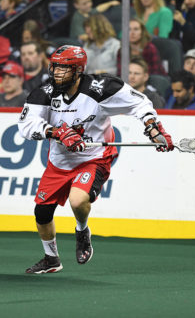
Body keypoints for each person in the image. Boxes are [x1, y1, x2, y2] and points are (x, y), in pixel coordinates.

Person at [17, 45, 174, 274]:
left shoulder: (103, 88)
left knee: (78, 200)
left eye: (63, 69)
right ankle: (51, 259)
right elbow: (26, 125)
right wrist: (57, 132)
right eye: (55, 68)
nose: (56, 74)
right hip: (59, 162)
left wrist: (152, 128)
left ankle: (82, 230)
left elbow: (139, 102)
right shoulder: (44, 93)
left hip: (94, 158)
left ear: (78, 70)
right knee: (42, 212)